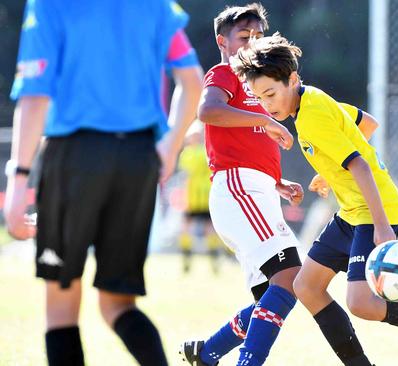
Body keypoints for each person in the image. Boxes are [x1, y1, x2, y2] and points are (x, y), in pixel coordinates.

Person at [232, 34, 398, 366]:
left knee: (362, 304)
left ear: (292, 79)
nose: (268, 105)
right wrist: (331, 169)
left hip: (373, 211)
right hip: (351, 213)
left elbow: (359, 163)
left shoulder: (311, 117)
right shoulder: (312, 99)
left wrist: (381, 227)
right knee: (306, 287)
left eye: (271, 94)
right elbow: (364, 124)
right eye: (259, 98)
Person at [4, 1, 204, 365]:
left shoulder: (51, 5)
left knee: (62, 302)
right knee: (117, 302)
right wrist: (170, 145)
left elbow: (35, 95)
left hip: (75, 156)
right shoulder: (155, 6)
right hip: (139, 158)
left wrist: (18, 178)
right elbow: (192, 81)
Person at [179, 4, 303, 366]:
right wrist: (264, 122)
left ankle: (208, 352)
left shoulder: (256, 85)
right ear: (223, 41)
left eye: (258, 37)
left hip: (256, 190)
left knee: (274, 294)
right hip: (237, 189)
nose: (252, 44)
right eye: (244, 37)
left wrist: (276, 182)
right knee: (292, 277)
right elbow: (208, 111)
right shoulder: (223, 73)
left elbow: (247, 144)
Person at [177, 122, 222, 274]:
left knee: (187, 227)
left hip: (194, 198)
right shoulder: (208, 151)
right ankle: (214, 261)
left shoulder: (188, 153)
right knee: (210, 228)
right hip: (206, 196)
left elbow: (186, 175)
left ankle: (187, 259)